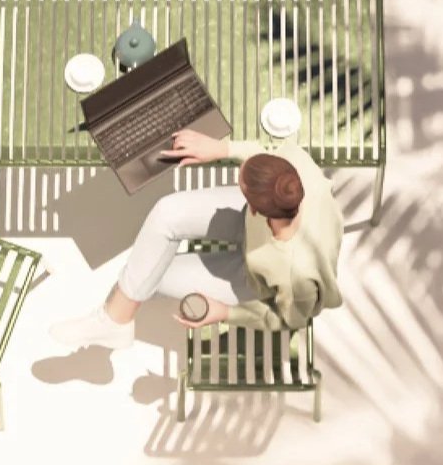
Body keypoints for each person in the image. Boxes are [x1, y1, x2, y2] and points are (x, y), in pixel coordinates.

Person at [44, 130, 343, 352]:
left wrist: (225, 313)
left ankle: (115, 320)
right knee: (166, 213)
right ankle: (115, 321)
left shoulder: (297, 274)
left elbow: (289, 318)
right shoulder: (295, 169)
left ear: (253, 205)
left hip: (255, 279)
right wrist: (220, 147)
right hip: (253, 227)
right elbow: (265, 150)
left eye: (240, 184)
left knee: (155, 276)